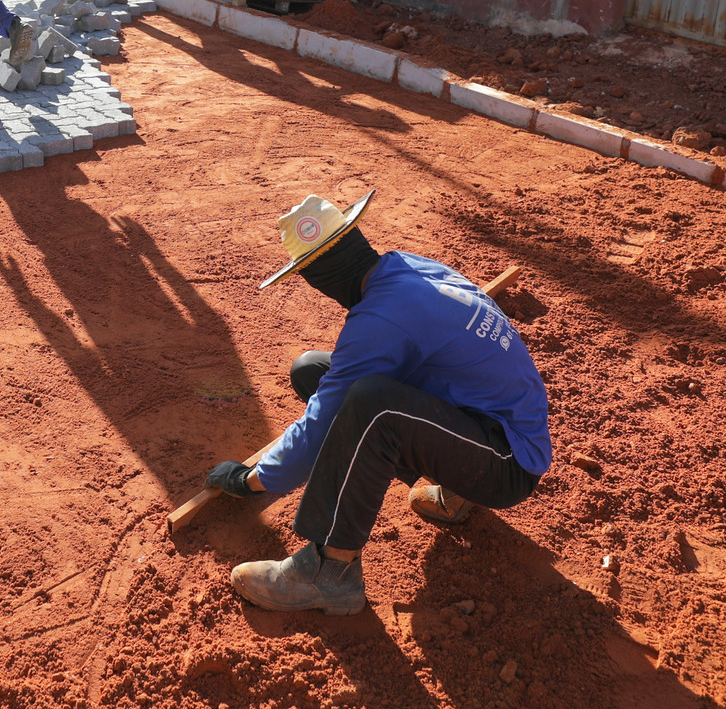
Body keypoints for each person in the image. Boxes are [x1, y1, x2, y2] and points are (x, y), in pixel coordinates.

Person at [205, 190, 554, 615]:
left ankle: (330, 573)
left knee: (373, 405)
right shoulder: (405, 267)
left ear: (320, 277)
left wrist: (250, 480)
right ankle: (456, 490)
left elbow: (318, 427)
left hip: (507, 460)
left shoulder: (377, 321)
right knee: (313, 371)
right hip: (491, 423)